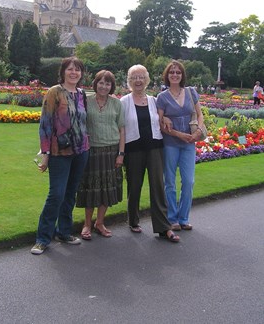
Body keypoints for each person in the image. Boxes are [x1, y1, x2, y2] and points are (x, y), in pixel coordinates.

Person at [31, 57, 89, 255]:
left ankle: (64, 232)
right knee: (56, 194)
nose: (74, 73)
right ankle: (42, 238)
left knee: (70, 194)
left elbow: (84, 122)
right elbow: (45, 125)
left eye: (78, 70)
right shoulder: (54, 92)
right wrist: (45, 154)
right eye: (70, 69)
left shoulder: (82, 94)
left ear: (81, 73)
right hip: (59, 152)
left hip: (81, 151)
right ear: (63, 72)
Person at [120, 65, 180, 243]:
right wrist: (120, 152)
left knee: (157, 187)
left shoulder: (154, 100)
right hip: (133, 150)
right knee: (134, 186)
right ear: (130, 81)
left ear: (146, 80)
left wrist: (166, 118)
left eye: (141, 77)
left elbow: (163, 117)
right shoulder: (124, 101)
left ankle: (164, 227)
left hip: (155, 147)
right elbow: (120, 128)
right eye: (134, 77)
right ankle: (133, 220)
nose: (138, 80)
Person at [76, 70, 125, 239]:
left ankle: (100, 223)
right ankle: (87, 224)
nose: (104, 86)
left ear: (112, 86)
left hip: (111, 151)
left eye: (108, 83)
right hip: (91, 151)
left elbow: (122, 129)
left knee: (106, 189)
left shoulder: (117, 103)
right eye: (101, 82)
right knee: (91, 189)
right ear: (95, 83)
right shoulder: (85, 101)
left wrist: (121, 154)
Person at [156, 60, 204, 232]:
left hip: (189, 143)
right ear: (167, 75)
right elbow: (160, 123)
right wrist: (177, 134)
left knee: (189, 181)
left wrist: (198, 130)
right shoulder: (162, 97)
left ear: (182, 75)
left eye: (178, 72)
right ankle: (172, 218)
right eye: (171, 72)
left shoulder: (191, 92)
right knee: (169, 181)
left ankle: (184, 217)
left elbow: (200, 114)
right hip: (171, 143)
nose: (175, 75)